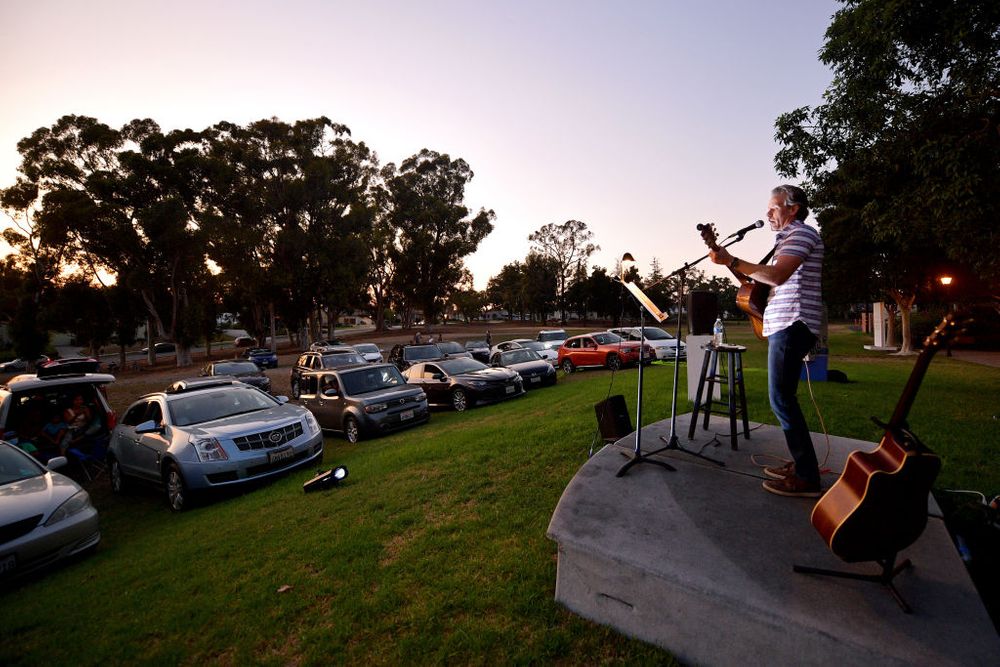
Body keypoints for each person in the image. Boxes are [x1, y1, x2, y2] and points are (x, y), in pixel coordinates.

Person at [709, 184, 824, 497]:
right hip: (785, 324)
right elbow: (760, 283)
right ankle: (803, 467)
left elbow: (775, 277)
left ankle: (807, 478)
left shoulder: (801, 234)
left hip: (793, 323)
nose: (768, 213)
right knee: (783, 398)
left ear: (793, 208)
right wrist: (731, 264)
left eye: (774, 207)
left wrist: (733, 260)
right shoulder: (786, 241)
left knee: (781, 399)